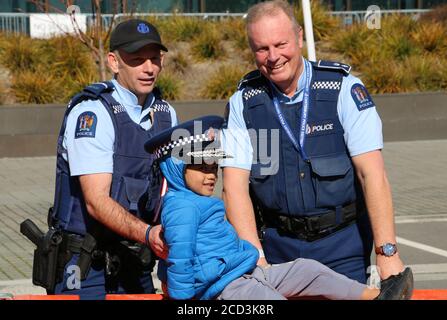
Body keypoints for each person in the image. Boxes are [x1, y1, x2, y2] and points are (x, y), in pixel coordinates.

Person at [220, 0, 412, 289]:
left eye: (280, 44)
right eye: (262, 48)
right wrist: (255, 258)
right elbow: (233, 187)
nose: (273, 56)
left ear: (299, 37)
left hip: (342, 247)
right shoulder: (243, 104)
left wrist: (387, 252)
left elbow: (371, 174)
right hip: (277, 249)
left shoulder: (343, 89)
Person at [144, 115, 412, 300]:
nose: (211, 174)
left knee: (308, 269)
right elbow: (180, 259)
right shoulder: (181, 207)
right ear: (177, 167)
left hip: (246, 272)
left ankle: (375, 296)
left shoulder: (198, 201)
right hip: (226, 288)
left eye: (214, 166)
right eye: (201, 167)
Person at [30, 19, 177, 299]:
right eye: (137, 60)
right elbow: (96, 202)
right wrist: (148, 234)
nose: (149, 68)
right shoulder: (93, 113)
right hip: (84, 264)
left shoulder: (166, 114)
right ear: (114, 62)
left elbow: (172, 188)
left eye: (155, 59)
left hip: (137, 259)